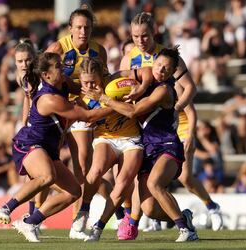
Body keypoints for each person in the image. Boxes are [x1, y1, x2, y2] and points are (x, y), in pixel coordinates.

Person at [0, 52, 112, 242]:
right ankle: (6, 208)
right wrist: (118, 105)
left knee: (73, 192)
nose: (62, 67)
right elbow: (86, 116)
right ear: (46, 75)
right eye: (57, 65)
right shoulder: (49, 98)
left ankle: (31, 221)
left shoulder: (63, 83)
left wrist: (101, 83)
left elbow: (82, 88)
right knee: (47, 176)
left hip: (48, 147)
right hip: (30, 143)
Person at [119, 12, 222, 237]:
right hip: (142, 130)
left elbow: (190, 88)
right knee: (147, 203)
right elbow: (121, 90)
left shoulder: (166, 57)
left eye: (144, 35)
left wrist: (175, 109)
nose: (140, 41)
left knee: (174, 179)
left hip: (166, 130)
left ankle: (204, 212)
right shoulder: (129, 59)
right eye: (135, 36)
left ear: (154, 31)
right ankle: (147, 218)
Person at [84, 48, 199, 242]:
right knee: (150, 209)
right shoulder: (146, 75)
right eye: (159, 65)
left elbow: (133, 112)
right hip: (149, 148)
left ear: (171, 73)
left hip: (167, 145)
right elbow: (125, 73)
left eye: (166, 69)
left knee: (155, 184)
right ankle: (184, 217)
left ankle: (186, 231)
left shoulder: (163, 90)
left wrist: (104, 98)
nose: (160, 70)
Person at [46, 7, 122, 239]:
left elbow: (106, 79)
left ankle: (117, 212)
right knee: (80, 165)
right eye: (78, 27)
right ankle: (76, 220)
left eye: (87, 27)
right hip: (70, 112)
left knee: (92, 171)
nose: (83, 31)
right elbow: (44, 76)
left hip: (96, 112)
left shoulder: (99, 50)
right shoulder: (58, 48)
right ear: (70, 28)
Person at [70, 58, 144, 241]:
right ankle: (84, 210)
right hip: (106, 138)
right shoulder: (78, 94)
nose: (89, 85)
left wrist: (106, 98)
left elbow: (132, 108)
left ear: (102, 76)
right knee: (94, 172)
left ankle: (99, 227)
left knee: (122, 182)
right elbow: (87, 118)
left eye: (93, 81)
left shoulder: (117, 85)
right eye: (85, 82)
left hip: (131, 139)